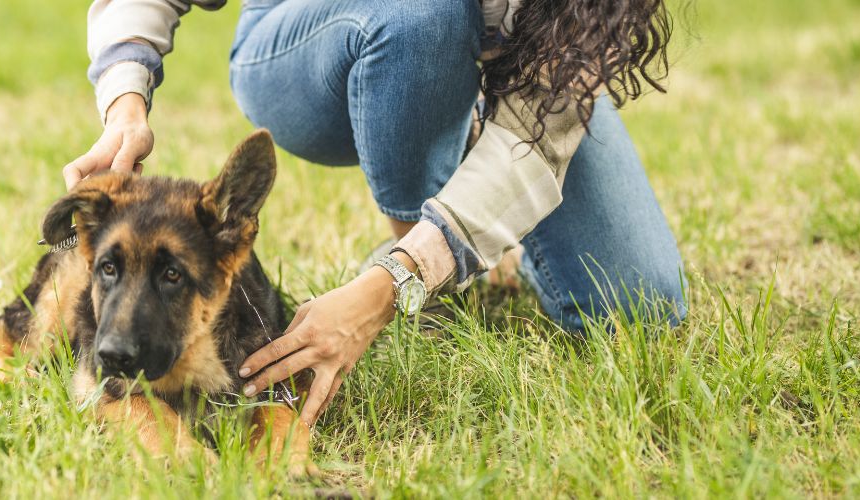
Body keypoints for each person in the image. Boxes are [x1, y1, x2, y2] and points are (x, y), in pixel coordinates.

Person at [63, 0, 688, 426]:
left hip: (522, 68)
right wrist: (125, 100)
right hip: (318, 36)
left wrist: (394, 281)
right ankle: (426, 274)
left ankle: (443, 247)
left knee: (640, 305)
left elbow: (540, 134)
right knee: (423, 16)